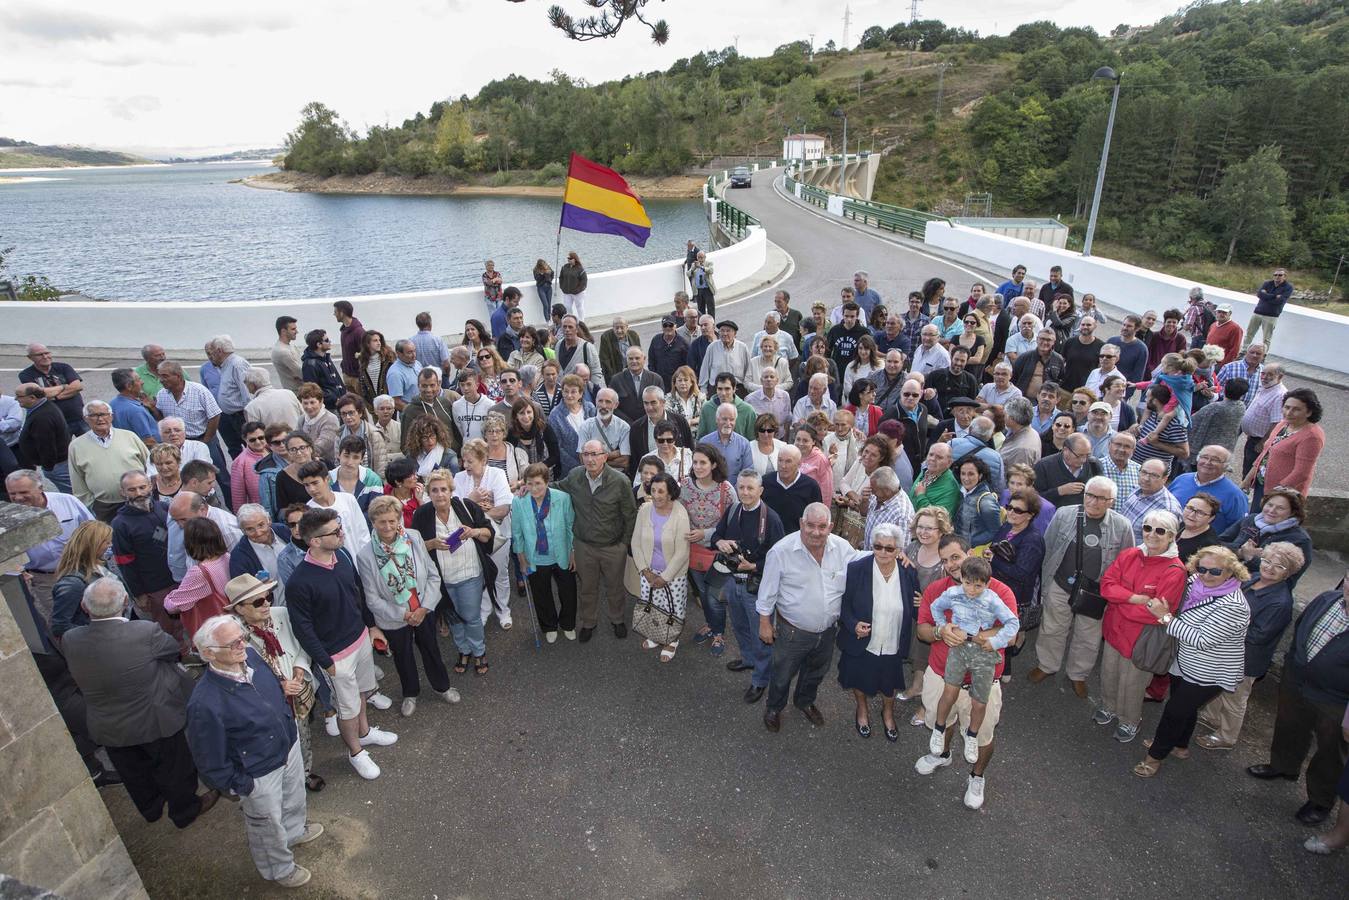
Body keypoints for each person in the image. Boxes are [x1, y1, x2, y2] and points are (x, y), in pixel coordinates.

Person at [62, 575, 217, 827]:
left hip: (108, 725)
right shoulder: (144, 632)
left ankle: (151, 808)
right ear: (125, 601)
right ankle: (185, 810)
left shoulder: (71, 639)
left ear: (84, 607)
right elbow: (172, 650)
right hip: (155, 719)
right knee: (175, 768)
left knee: (133, 772)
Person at [186, 615, 321, 888]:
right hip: (258, 772)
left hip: (287, 747)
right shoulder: (204, 703)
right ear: (208, 653)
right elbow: (209, 759)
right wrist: (242, 785)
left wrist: (289, 729)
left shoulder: (250, 656)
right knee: (266, 825)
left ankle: (295, 831)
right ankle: (279, 869)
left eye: (242, 637)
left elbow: (274, 691)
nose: (242, 645)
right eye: (232, 643)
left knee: (294, 796)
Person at [912, 535, 1017, 809]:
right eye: (944, 560)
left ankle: (977, 776)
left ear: (970, 553)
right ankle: (942, 755)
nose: (950, 566)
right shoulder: (938, 590)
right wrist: (940, 630)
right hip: (941, 672)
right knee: (941, 720)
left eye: (955, 557)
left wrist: (977, 635)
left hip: (983, 677)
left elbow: (1012, 634)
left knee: (983, 734)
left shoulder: (1000, 592)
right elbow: (922, 630)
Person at [1133, 546, 1252, 777]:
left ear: (1230, 572)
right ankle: (1180, 746)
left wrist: (1165, 617)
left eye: (1215, 571)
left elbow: (1202, 639)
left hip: (1209, 671)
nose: (1206, 575)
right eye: (1202, 568)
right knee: (1184, 707)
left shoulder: (1234, 605)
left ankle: (1155, 757)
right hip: (1185, 660)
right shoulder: (1195, 581)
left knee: (1175, 711)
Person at [1245, 579, 1348, 827]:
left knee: (1330, 749)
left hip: (1336, 698)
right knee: (1289, 725)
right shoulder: (1326, 598)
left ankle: (1320, 799)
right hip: (1296, 679)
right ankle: (1283, 766)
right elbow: (1302, 627)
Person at [757, 503, 860, 733]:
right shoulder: (781, 552)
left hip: (827, 631)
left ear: (830, 527)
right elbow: (767, 591)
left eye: (822, 527)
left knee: (816, 672)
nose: (816, 532)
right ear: (802, 523)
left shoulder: (842, 548)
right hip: (793, 631)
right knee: (783, 673)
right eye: (810, 526)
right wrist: (764, 622)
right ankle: (774, 707)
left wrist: (893, 556)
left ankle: (804, 701)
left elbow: (863, 563)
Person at [1027, 476, 1132, 697]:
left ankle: (1078, 675)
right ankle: (1047, 665)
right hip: (1060, 583)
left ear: (1111, 501)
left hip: (1095, 593)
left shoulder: (1122, 526)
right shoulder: (1065, 514)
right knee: (1052, 629)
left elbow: (1126, 562)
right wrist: (1043, 582)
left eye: (1100, 498)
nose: (1093, 502)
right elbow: (1048, 546)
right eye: (1090, 495)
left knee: (1088, 636)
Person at [356, 496, 459, 718]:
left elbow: (433, 575)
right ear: (372, 522)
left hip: (423, 609)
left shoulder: (413, 537)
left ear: (399, 519)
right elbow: (371, 598)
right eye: (382, 522)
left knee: (431, 648)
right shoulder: (365, 555)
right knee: (403, 656)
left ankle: (442, 686)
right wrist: (404, 614)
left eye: (392, 521)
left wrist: (424, 608)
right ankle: (410, 693)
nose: (388, 527)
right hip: (395, 617)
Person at [1195, 542, 1302, 751]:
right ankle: (1211, 717)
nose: (1269, 568)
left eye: (1278, 567)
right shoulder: (1251, 578)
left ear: (1288, 573)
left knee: (1234, 698)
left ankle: (1226, 736)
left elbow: (1258, 636)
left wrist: (1221, 631)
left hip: (1246, 658)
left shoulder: (1280, 602)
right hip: (1227, 650)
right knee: (1218, 686)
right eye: (1267, 561)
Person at [1096, 510, 1188, 743]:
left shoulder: (1175, 571)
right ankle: (1108, 706)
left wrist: (1120, 601)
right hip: (1115, 630)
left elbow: (1156, 614)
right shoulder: (1130, 554)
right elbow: (1107, 586)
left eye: (1160, 531)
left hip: (1140, 639)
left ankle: (1129, 720)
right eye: (1148, 528)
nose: (1152, 535)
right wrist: (1136, 599)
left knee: (1133, 683)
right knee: (1109, 673)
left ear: (1171, 536)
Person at [928, 556, 1020, 763]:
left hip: (983, 652)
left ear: (987, 584)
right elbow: (936, 607)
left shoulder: (992, 599)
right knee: (949, 692)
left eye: (978, 586)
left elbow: (1013, 623)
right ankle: (939, 728)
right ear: (961, 578)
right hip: (959, 648)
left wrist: (996, 642)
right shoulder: (953, 594)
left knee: (980, 701)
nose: (971, 590)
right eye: (968, 583)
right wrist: (944, 626)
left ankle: (972, 735)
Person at [838, 524, 916, 740]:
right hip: (863, 641)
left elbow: (916, 605)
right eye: (878, 546)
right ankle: (862, 709)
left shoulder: (908, 572)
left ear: (899, 550)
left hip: (892, 640)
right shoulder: (857, 569)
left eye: (890, 549)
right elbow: (844, 606)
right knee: (859, 678)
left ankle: (888, 713)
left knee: (889, 683)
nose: (883, 552)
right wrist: (853, 624)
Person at [557, 439, 638, 642]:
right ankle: (588, 622)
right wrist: (531, 488)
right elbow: (556, 488)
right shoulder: (575, 475)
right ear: (581, 456)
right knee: (587, 588)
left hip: (613, 547)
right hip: (584, 546)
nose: (590, 459)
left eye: (595, 454)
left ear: (605, 456)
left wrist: (623, 544)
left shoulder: (620, 481)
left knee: (615, 587)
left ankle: (617, 619)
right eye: (586, 454)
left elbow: (630, 515)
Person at [629, 472, 692, 663]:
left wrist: (664, 577)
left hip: (673, 574)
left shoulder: (680, 513)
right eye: (653, 490)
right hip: (648, 572)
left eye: (661, 491)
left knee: (673, 607)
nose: (656, 495)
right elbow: (635, 542)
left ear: (670, 493)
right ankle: (657, 633)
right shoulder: (645, 509)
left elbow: (682, 551)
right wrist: (645, 570)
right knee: (653, 604)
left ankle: (671, 639)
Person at [511, 463, 577, 643]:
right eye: (530, 483)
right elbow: (516, 533)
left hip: (561, 553)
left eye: (538, 483)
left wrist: (573, 552)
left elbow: (571, 527)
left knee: (568, 592)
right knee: (541, 593)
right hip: (536, 557)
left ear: (547, 482)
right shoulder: (519, 501)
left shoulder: (562, 498)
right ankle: (549, 625)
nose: (534, 488)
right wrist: (521, 559)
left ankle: (568, 624)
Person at [681, 444, 735, 655]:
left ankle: (719, 633)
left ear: (713, 464)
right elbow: (678, 514)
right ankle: (711, 625)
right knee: (703, 593)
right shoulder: (685, 485)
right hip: (693, 552)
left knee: (714, 596)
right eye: (695, 462)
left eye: (703, 462)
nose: (698, 466)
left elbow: (733, 524)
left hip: (718, 554)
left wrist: (706, 533)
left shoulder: (726, 490)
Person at [66, 400, 149, 520]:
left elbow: (150, 465)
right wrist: (91, 505)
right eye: (94, 415)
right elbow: (77, 480)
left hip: (138, 498)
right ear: (85, 419)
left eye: (104, 414)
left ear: (111, 416)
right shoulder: (76, 446)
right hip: (104, 506)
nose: (100, 419)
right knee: (109, 536)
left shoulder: (129, 436)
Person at [1219, 488, 1313, 589]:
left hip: (1257, 590)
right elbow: (1218, 542)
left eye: (1280, 508)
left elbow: (1287, 579)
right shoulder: (1250, 520)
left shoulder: (1299, 539)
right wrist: (1239, 552)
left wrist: (1251, 558)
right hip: (1225, 578)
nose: (1272, 511)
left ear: (1292, 512)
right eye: (1270, 505)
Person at [1244, 387, 1324, 504]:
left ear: (1309, 412)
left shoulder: (1312, 436)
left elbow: (1302, 473)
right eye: (1286, 407)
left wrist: (1275, 494)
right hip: (1263, 483)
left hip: (1283, 495)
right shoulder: (1283, 424)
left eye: (1296, 409)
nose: (1289, 413)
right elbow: (1265, 453)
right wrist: (1248, 478)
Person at [163, 517, 233, 639]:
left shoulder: (199, 573)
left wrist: (170, 596)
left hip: (215, 632)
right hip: (232, 622)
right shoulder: (227, 557)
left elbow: (173, 606)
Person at [47, 520, 112, 639]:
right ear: (93, 545)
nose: (110, 545)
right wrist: (98, 633)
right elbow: (60, 626)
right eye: (106, 542)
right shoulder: (73, 583)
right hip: (100, 643)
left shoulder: (101, 564)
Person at [298, 460, 370, 556]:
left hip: (360, 558)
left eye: (315, 483)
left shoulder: (348, 499)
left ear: (327, 479)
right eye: (306, 485)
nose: (312, 489)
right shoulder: (309, 512)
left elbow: (363, 532)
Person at [1170, 445, 1248, 533]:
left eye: (1215, 460)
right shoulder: (1181, 479)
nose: (1208, 462)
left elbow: (1238, 528)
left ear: (1226, 466)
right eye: (1204, 457)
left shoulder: (1235, 495)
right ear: (1198, 459)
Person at [1238, 362, 1287, 480]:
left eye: (1270, 375)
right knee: (1247, 469)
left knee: (1252, 473)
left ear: (1280, 377)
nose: (1264, 377)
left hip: (1260, 442)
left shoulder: (1279, 395)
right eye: (1263, 374)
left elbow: (1277, 423)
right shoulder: (1266, 387)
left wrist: (1263, 443)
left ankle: (1247, 494)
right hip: (1254, 438)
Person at [1120, 458, 1183, 542]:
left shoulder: (1168, 509)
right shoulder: (1137, 489)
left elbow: (1164, 544)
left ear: (1164, 479)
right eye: (1144, 472)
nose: (1146, 478)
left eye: (1154, 475)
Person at [1033, 432, 1101, 506]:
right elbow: (1034, 498)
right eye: (1079, 456)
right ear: (1065, 450)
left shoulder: (1093, 464)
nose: (1083, 460)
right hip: (1054, 514)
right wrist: (1059, 491)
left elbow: (1101, 492)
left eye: (1087, 455)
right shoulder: (1044, 466)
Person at [953, 456, 1001, 551]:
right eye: (963, 474)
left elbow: (995, 531)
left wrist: (967, 542)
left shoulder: (986, 501)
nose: (966, 478)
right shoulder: (962, 492)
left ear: (980, 476)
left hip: (974, 552)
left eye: (971, 474)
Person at [1244, 267, 1293, 351]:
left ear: (1285, 276)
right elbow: (1259, 294)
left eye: (1280, 275)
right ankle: (1244, 351)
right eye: (1275, 275)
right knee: (1249, 334)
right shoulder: (1267, 283)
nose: (1277, 276)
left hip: (1271, 316)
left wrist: (1266, 296)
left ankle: (1263, 355)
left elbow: (1279, 301)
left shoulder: (1288, 287)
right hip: (1257, 313)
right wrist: (1274, 296)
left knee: (1266, 338)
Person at [911, 442, 959, 519]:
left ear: (949, 463)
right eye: (931, 454)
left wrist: (920, 496)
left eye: (939, 457)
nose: (932, 459)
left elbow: (939, 519)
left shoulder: (951, 487)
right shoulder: (925, 472)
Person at [299, 330, 343, 411]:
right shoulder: (309, 365)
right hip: (329, 408)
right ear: (319, 344)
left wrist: (344, 395)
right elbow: (312, 390)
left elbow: (337, 380)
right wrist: (333, 399)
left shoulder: (325, 357)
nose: (330, 341)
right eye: (326, 340)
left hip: (339, 403)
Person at [295, 383, 340, 463]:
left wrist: (298, 453)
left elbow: (320, 447)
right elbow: (295, 439)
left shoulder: (330, 420)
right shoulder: (302, 419)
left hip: (328, 463)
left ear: (321, 401)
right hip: (307, 461)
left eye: (312, 402)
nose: (309, 407)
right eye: (305, 403)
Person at [1174, 492, 1222, 562]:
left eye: (1200, 513)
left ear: (1211, 518)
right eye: (1190, 508)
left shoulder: (1208, 546)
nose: (1192, 514)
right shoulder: (1182, 524)